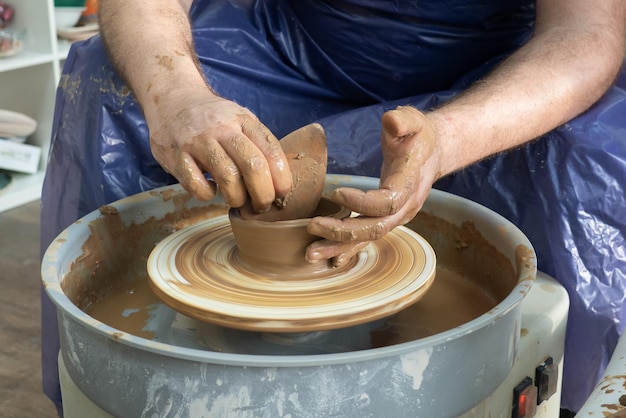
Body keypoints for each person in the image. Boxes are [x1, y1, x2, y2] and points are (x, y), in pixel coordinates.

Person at [41, 0, 626, 415]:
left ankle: (551, 390)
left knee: (586, 158)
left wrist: (447, 139)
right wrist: (176, 95)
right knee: (111, 84)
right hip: (293, 50)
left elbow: (584, 33)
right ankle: (117, 382)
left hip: (489, 72)